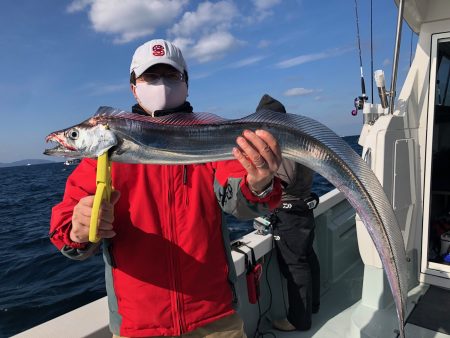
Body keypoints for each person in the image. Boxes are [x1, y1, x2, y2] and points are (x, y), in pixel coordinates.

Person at [49, 39, 283, 338]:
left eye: (171, 75)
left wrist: (259, 183)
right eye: (150, 76)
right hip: (138, 326)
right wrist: (78, 231)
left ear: (186, 84)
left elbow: (238, 201)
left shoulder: (210, 139)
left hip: (215, 318)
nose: (161, 84)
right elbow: (66, 231)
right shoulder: (101, 156)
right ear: (134, 86)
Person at [255, 94, 320, 332]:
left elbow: (285, 178)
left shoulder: (280, 143)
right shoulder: (298, 138)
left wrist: (260, 182)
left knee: (295, 265)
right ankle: (313, 305)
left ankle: (299, 320)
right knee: (306, 257)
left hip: (289, 211)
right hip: (303, 208)